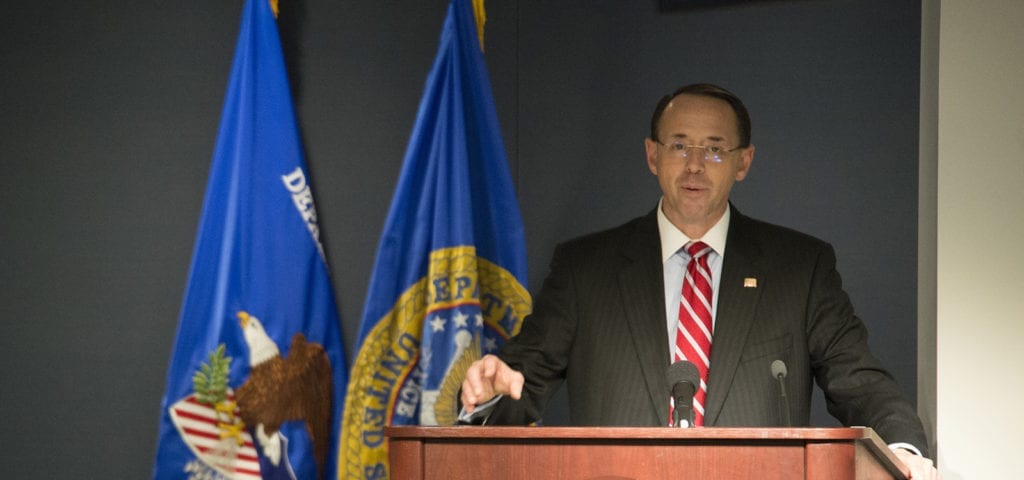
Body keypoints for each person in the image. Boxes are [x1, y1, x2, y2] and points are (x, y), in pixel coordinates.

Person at [460, 83, 938, 479]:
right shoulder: (586, 268)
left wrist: (904, 451)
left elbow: (857, 379)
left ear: (743, 162)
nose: (694, 165)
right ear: (652, 155)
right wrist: (490, 394)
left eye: (714, 150)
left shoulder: (799, 268)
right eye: (679, 145)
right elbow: (520, 383)